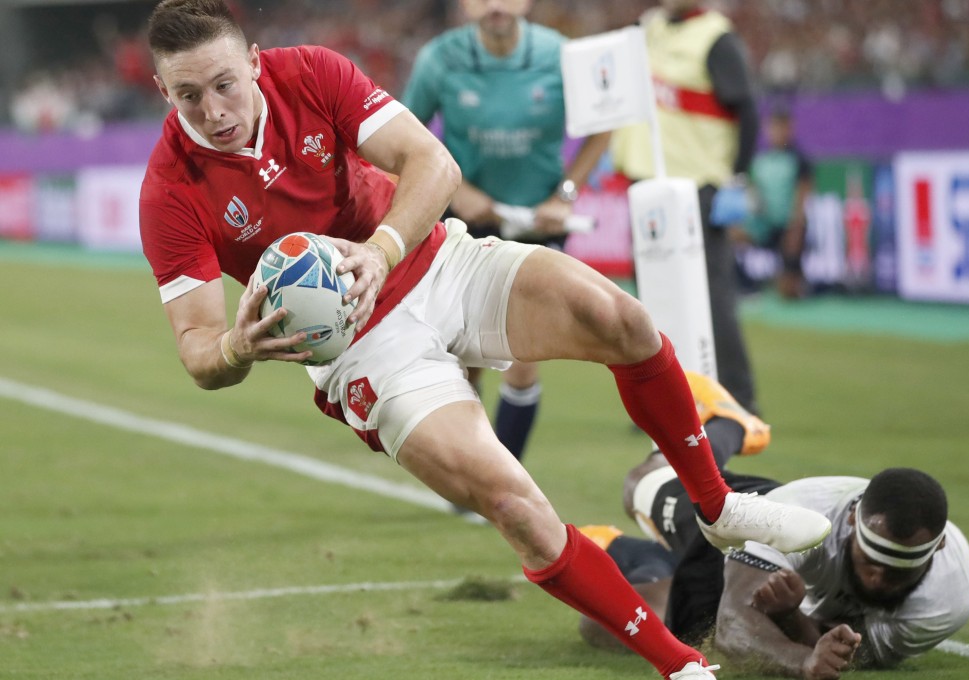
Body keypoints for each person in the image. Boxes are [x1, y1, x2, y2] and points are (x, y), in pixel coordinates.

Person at [138, 1, 831, 677]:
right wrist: (235, 349)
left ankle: (716, 505)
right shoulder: (170, 188)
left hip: (431, 258)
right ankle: (681, 668)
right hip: (360, 349)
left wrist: (380, 252)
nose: (214, 111)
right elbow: (197, 345)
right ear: (164, 92)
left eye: (224, 84)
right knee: (513, 506)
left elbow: (431, 163)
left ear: (255, 64)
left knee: (623, 321)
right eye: (189, 96)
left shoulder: (311, 72)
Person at [578, 427, 969, 679]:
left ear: (936, 549)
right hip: (756, 519)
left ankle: (628, 553)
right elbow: (734, 625)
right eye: (870, 563)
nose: (877, 579)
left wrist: (789, 615)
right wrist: (801, 663)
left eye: (898, 574)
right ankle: (728, 424)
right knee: (643, 483)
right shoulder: (800, 513)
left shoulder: (948, 597)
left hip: (779, 584)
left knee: (604, 620)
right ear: (853, 521)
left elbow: (841, 654)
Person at [402, 0, 611, 463]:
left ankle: (503, 476)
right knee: (465, 358)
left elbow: (602, 128)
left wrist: (566, 194)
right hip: (463, 227)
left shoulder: (561, 55)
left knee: (522, 358)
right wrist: (457, 191)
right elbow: (404, 134)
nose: (495, 5)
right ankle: (472, 468)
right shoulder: (439, 58)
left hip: (536, 228)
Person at [609, 0, 761, 414]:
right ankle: (667, 403)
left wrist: (738, 178)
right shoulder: (648, 26)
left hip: (696, 187)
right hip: (649, 187)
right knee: (651, 302)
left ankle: (737, 402)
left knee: (711, 299)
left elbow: (747, 110)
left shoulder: (715, 38)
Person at [737, 107, 813, 299]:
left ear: (789, 129)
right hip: (764, 224)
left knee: (789, 294)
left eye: (781, 127)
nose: (776, 132)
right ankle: (745, 285)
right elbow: (753, 192)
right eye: (773, 127)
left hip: (789, 227)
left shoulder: (799, 160)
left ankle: (793, 276)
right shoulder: (761, 160)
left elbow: (803, 197)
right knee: (732, 233)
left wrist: (795, 226)